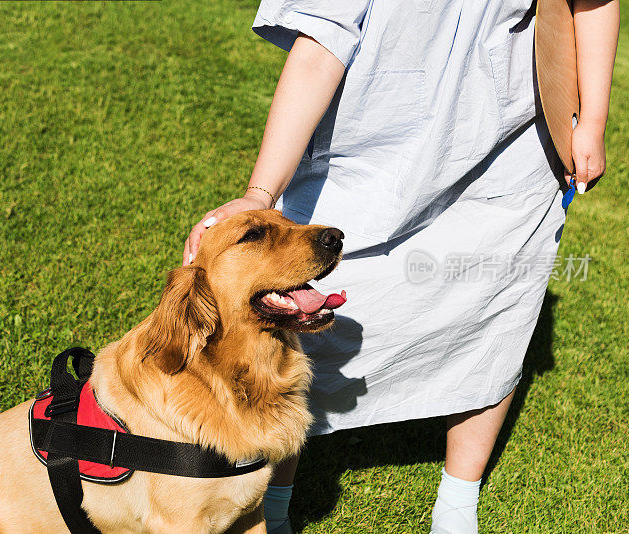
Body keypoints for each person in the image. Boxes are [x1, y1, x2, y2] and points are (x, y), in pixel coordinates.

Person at [183, 1, 619, 532]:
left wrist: (591, 118)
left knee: (493, 309)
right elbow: (321, 45)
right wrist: (259, 194)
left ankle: (458, 499)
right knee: (304, 319)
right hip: (371, 144)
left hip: (511, 139)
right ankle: (274, 504)